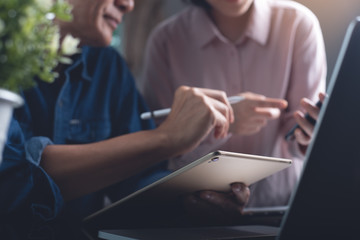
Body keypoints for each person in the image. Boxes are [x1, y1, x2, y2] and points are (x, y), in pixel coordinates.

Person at [0, 0, 251, 239]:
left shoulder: (109, 67)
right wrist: (166, 138)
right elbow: (12, 176)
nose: (128, 4)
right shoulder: (5, 55)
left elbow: (137, 181)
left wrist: (192, 197)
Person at [139, 0, 327, 208]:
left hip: (278, 207)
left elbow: (298, 135)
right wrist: (224, 121)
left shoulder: (298, 23)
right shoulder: (166, 41)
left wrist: (307, 136)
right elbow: (163, 148)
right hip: (196, 210)